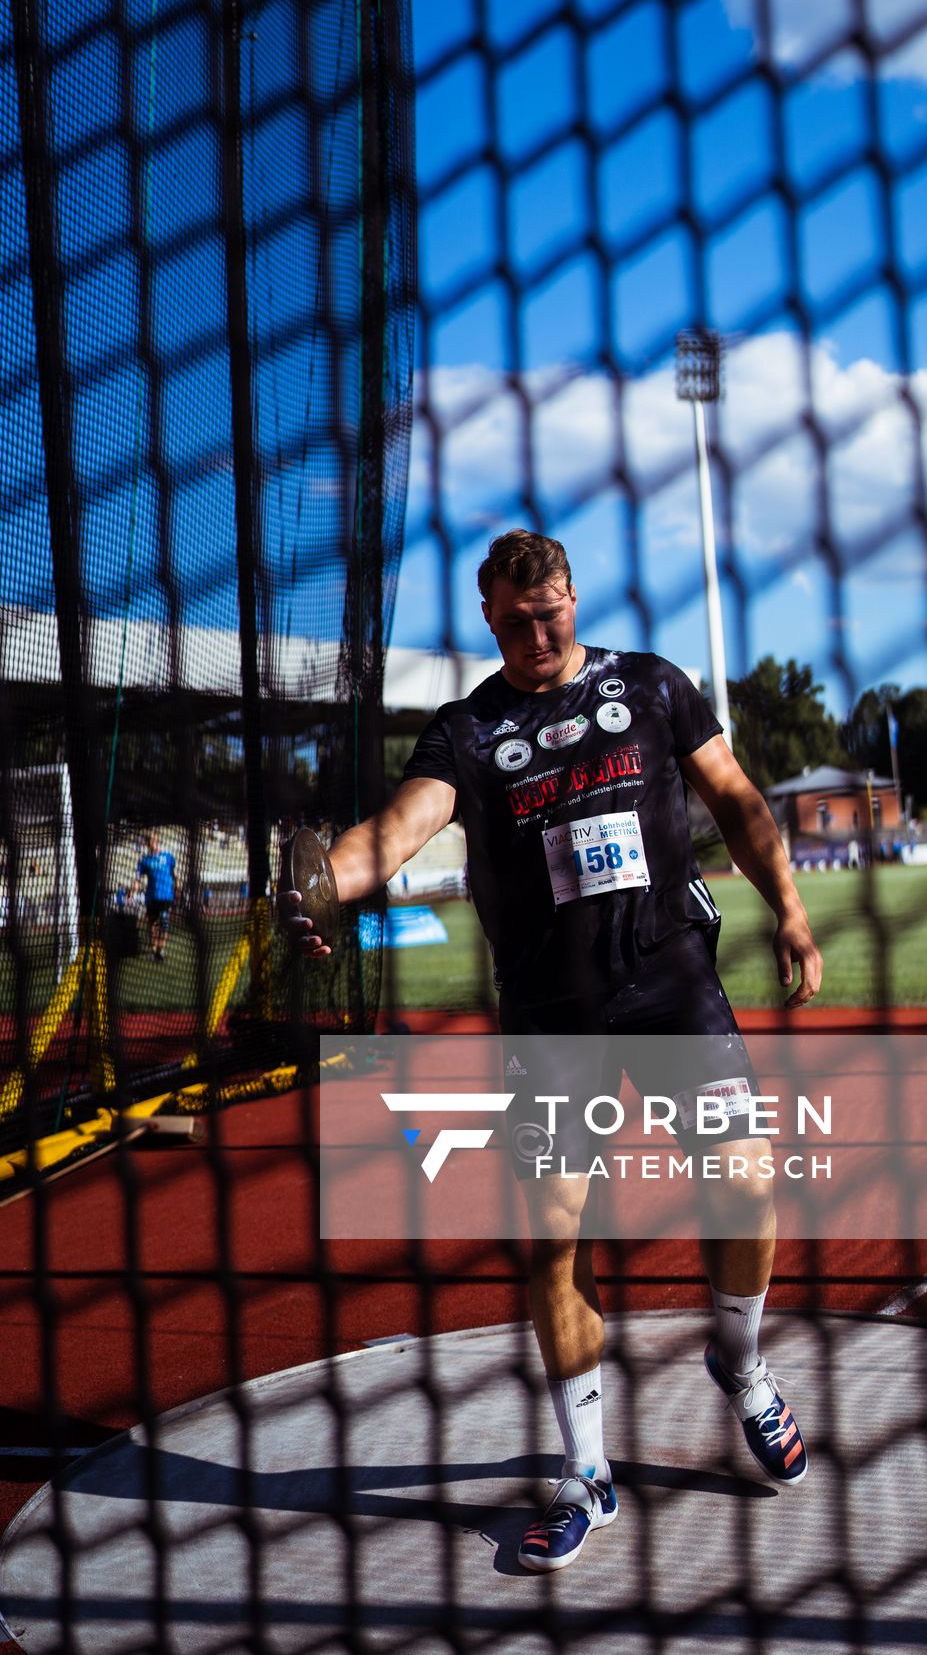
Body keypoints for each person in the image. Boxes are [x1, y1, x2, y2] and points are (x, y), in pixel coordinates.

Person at [283, 530, 823, 1570]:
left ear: (574, 599)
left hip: (669, 982)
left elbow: (738, 800)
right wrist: (324, 885)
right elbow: (397, 830)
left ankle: (741, 1368)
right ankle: (587, 1476)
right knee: (552, 1242)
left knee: (746, 1187)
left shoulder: (654, 688)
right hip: (549, 1014)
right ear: (487, 618)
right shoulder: (468, 731)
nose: (538, 633)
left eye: (553, 612)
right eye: (516, 619)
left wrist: (790, 912)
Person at [136, 831, 177, 964]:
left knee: (164, 921)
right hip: (151, 897)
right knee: (152, 924)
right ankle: (154, 951)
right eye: (149, 841)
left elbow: (173, 873)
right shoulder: (144, 860)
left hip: (166, 895)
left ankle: (161, 949)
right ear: (147, 843)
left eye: (153, 840)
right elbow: (138, 877)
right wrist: (134, 888)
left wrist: (178, 884)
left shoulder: (167, 857)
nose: (151, 843)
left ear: (157, 840)